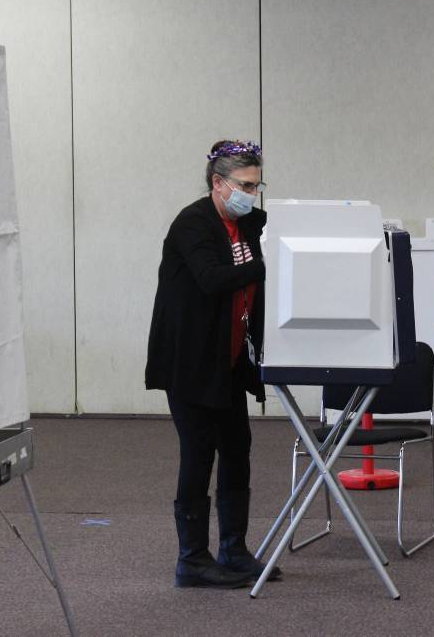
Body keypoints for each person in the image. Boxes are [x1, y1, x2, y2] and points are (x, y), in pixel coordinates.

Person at [145, 140, 282, 589]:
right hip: (190, 361)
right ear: (217, 183)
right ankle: (193, 559)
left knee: (237, 448)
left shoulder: (247, 225)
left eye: (257, 185)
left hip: (228, 359)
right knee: (199, 452)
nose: (252, 193)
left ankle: (234, 550)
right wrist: (267, 266)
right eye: (245, 185)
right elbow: (210, 279)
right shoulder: (193, 223)